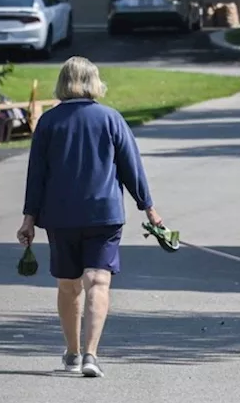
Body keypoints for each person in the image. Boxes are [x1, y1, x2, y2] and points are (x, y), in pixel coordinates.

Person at [17, 56, 163, 378]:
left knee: (69, 286)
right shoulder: (111, 119)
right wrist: (148, 208)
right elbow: (131, 168)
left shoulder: (50, 123)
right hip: (104, 215)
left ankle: (72, 352)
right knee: (98, 281)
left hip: (60, 216)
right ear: (93, 82)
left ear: (63, 83)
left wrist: (29, 218)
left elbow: (36, 174)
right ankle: (91, 355)